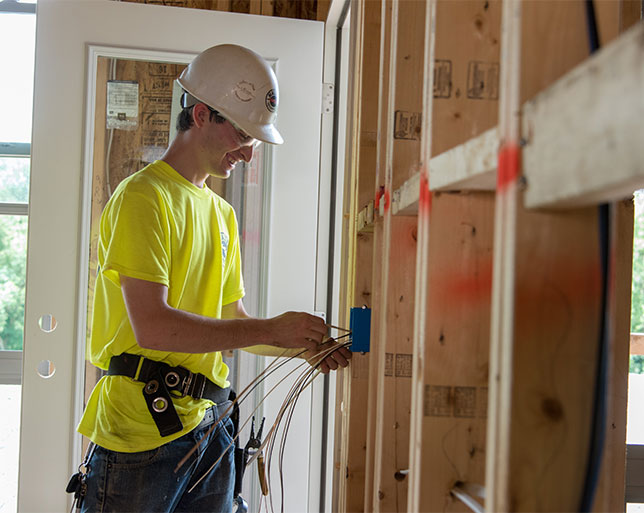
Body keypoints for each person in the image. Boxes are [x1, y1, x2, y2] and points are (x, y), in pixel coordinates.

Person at [76, 44, 351, 513]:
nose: (248, 153)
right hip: (140, 437)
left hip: (210, 432)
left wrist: (301, 344)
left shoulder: (221, 215)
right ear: (201, 115)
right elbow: (154, 327)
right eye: (243, 134)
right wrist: (271, 329)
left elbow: (232, 319)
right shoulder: (144, 198)